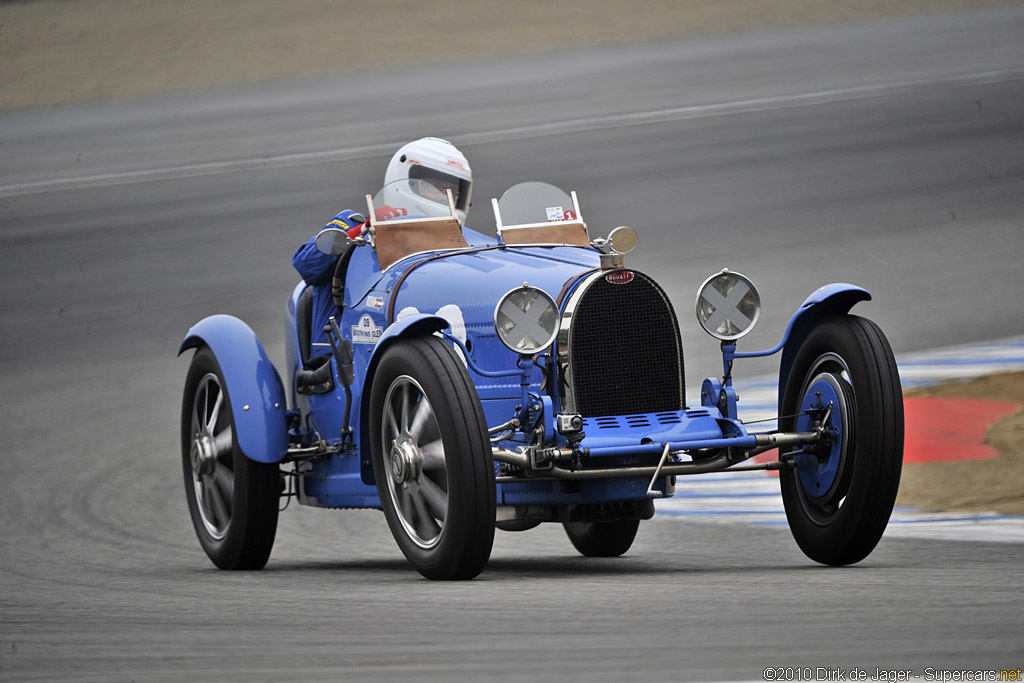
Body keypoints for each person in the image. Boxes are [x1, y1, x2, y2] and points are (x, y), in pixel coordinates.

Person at [292, 137, 473, 364]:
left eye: (453, 191)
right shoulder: (352, 222)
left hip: (429, 354)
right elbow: (306, 264)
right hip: (343, 360)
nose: (446, 197)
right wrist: (364, 229)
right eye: (436, 187)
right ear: (407, 182)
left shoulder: (457, 245)